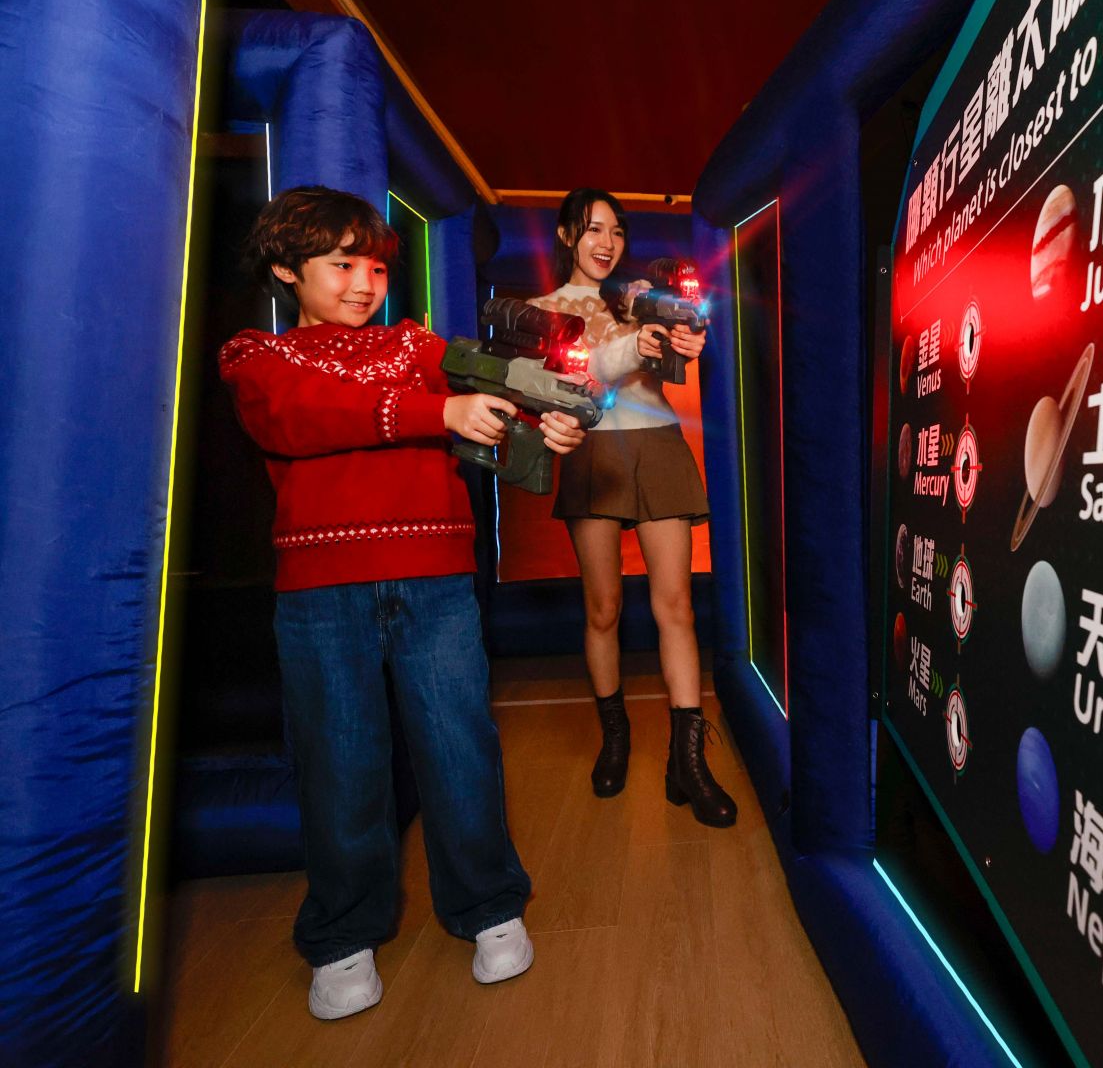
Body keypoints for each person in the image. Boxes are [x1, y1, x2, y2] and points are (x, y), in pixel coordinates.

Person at [218, 186, 587, 1020]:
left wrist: (543, 424)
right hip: (320, 591)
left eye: (377, 269)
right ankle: (344, 933)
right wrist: (440, 409)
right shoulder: (257, 355)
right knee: (339, 760)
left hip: (436, 577)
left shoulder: (414, 344)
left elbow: (494, 399)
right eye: (342, 265)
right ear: (286, 268)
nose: (364, 284)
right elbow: (296, 417)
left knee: (459, 747)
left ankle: (489, 908)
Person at [534, 187, 736, 827]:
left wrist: (686, 341)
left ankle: (689, 763)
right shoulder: (541, 311)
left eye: (616, 231)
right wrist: (633, 348)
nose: (607, 243)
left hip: (659, 446)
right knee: (604, 608)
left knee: (677, 606)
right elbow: (568, 383)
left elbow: (682, 346)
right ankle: (615, 738)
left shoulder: (639, 297)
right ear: (567, 235)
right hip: (593, 452)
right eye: (593, 229)